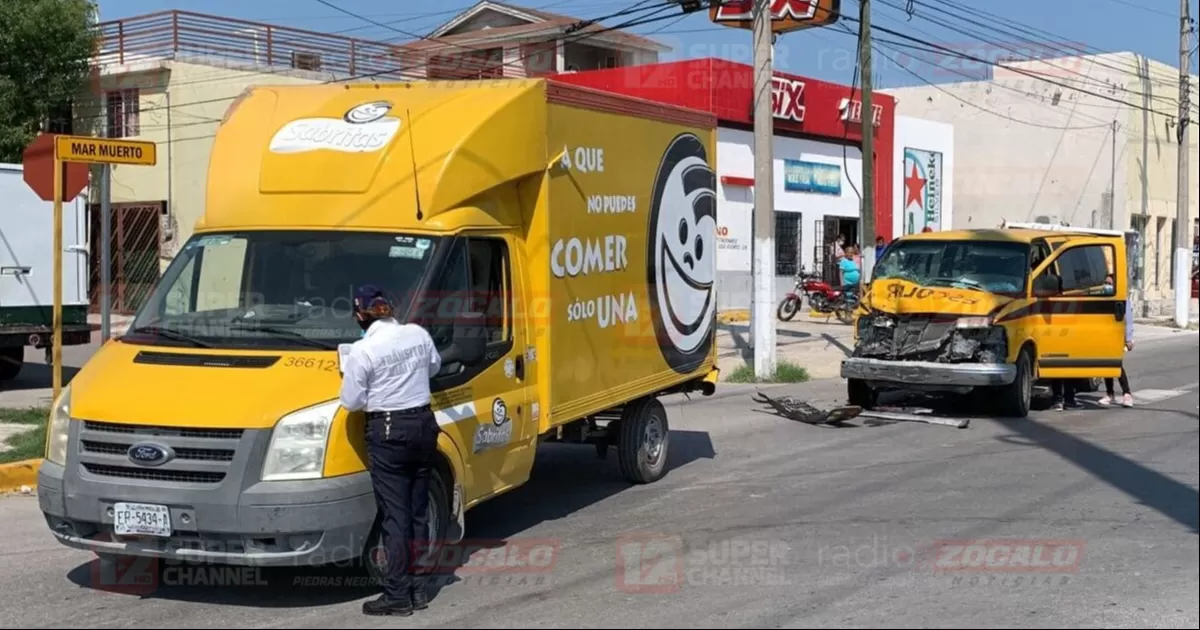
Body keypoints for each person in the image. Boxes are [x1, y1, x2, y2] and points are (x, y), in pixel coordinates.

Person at [339, 285, 443, 617]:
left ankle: (397, 595)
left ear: (360, 316)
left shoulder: (362, 350)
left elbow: (351, 402)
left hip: (389, 432)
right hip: (424, 425)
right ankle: (418, 590)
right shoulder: (417, 333)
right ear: (390, 309)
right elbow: (434, 368)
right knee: (417, 511)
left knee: (395, 518)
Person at [1100, 276, 1135, 407]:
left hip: (1116, 336)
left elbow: (1129, 320)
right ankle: (1110, 394)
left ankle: (1127, 393)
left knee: (1116, 364)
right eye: (1105, 283)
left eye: (1109, 283)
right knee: (1105, 365)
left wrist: (1129, 339)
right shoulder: (1102, 299)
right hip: (1104, 336)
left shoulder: (1122, 299)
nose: (1107, 286)